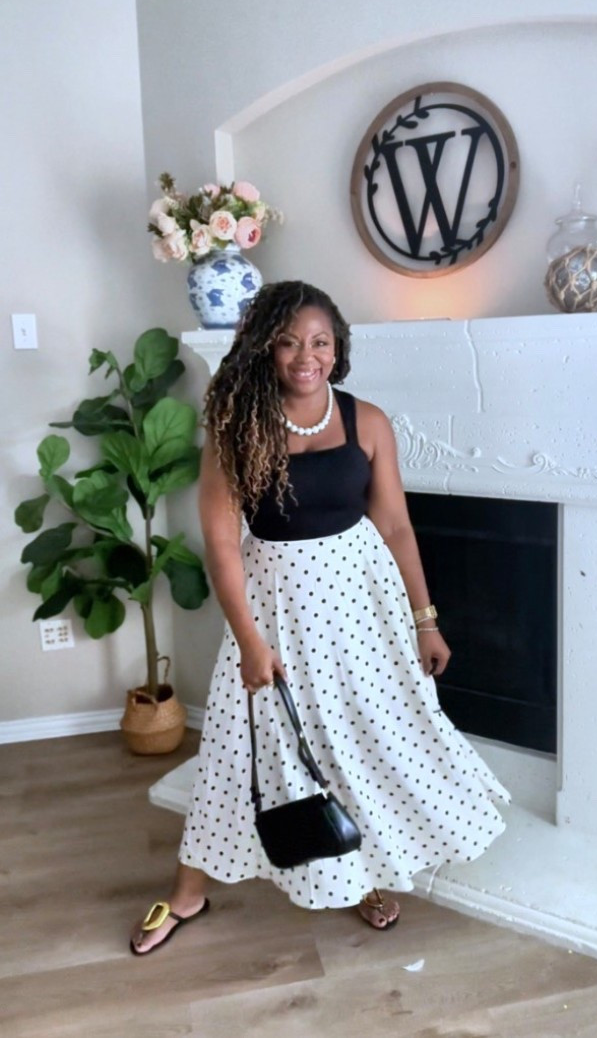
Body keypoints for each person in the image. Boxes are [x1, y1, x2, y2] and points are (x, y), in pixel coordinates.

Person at [130, 280, 509, 954]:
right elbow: (221, 544)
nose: (306, 356)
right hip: (271, 609)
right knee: (234, 746)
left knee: (358, 738)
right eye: (288, 341)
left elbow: (393, 526)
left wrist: (424, 619)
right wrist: (248, 640)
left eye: (320, 342)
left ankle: (357, 873)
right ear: (263, 348)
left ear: (338, 350)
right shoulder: (234, 429)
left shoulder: (369, 421)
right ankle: (188, 892)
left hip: (363, 606)